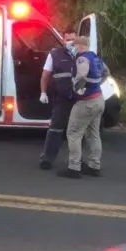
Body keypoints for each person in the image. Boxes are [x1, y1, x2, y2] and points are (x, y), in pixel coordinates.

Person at [58, 35, 106, 179]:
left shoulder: (82, 58)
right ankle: (94, 165)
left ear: (80, 46)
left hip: (86, 102)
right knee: (93, 134)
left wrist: (76, 88)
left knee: (73, 133)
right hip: (98, 99)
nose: (73, 47)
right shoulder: (96, 58)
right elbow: (106, 73)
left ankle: (74, 167)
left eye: (75, 45)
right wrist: (96, 83)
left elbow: (82, 75)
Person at [38, 28, 78, 170]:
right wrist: (43, 92)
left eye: (73, 39)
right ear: (63, 40)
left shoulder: (83, 53)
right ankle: (47, 159)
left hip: (80, 99)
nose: (71, 42)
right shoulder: (54, 54)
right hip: (61, 98)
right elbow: (45, 75)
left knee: (77, 132)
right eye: (68, 39)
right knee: (55, 129)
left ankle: (77, 163)